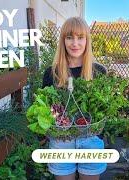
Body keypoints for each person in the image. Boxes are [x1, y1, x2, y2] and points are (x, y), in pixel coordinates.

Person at [42, 17, 107, 180]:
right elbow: (45, 110)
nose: (75, 43)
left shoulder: (99, 72)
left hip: (90, 140)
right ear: (63, 40)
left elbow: (104, 110)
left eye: (80, 37)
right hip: (61, 141)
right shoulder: (51, 73)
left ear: (87, 40)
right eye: (69, 37)